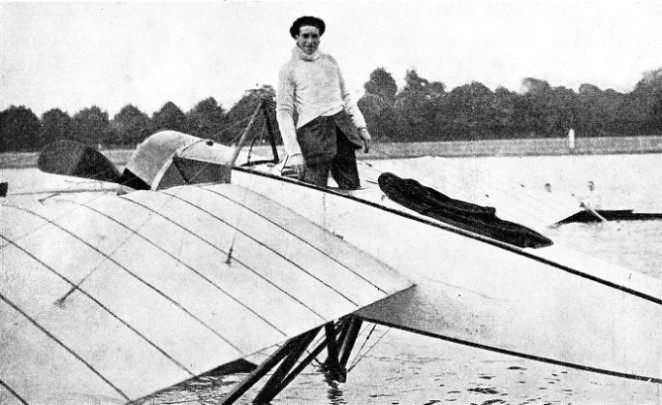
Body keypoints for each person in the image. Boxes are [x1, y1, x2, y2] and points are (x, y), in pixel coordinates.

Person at [276, 16, 371, 189]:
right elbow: (283, 112)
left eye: (314, 36)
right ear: (296, 37)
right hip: (313, 136)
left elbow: (346, 97)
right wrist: (294, 152)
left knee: (352, 190)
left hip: (342, 130)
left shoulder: (330, 61)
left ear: (319, 38)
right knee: (312, 192)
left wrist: (361, 127)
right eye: (305, 36)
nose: (310, 41)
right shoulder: (288, 69)